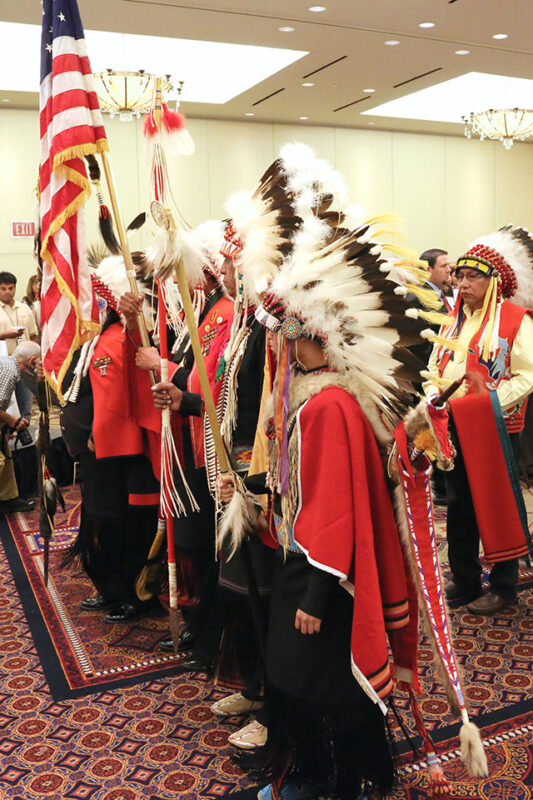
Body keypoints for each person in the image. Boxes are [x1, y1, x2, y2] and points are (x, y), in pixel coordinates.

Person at [424, 226, 533, 615]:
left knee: (499, 504)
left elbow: (528, 374)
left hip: (495, 428)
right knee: (459, 503)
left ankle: (504, 586)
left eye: (473, 277)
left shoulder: (515, 319)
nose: (463, 283)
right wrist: (431, 397)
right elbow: (434, 367)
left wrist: (488, 403)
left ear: (495, 282)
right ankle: (466, 577)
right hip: (453, 425)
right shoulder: (452, 320)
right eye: (460, 275)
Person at [61, 255, 162, 623]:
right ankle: (110, 587)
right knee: (102, 521)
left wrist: (99, 434)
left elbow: (120, 395)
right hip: (98, 453)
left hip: (116, 453)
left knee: (121, 523)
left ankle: (132, 593)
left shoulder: (120, 337)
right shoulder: (96, 339)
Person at [0, 341, 40, 513]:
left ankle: (8, 499)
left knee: (6, 459)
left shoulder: (7, 364)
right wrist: (12, 421)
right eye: (39, 362)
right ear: (31, 361)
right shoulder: (9, 371)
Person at [0, 271, 39, 422]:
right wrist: (5, 335)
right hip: (4, 366)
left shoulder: (25, 309)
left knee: (25, 407)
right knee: (4, 405)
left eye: (11, 288)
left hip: (25, 365)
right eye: (3, 289)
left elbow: (33, 335)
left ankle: (24, 430)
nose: (7, 292)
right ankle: (8, 431)